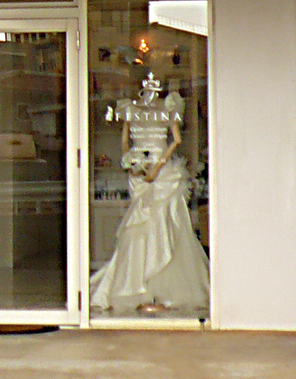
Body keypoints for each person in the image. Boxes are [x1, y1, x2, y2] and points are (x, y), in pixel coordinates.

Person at [90, 72, 209, 314]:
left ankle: (163, 288)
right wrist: (131, 162)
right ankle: (138, 284)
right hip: (140, 171)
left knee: (166, 223)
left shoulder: (167, 107)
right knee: (139, 226)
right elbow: (125, 142)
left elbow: (176, 140)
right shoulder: (130, 109)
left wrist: (158, 165)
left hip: (162, 171)